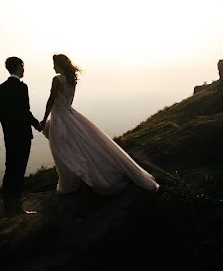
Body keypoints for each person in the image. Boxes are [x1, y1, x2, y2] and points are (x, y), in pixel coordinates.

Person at [39, 54, 159, 195]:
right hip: (70, 114)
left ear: (59, 64)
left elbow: (51, 100)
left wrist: (44, 119)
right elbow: (68, 101)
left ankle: (71, 182)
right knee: (80, 146)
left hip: (60, 117)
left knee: (61, 149)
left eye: (54, 64)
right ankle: (78, 177)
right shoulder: (72, 80)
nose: (53, 67)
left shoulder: (57, 79)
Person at [0, 56, 42, 215]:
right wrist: (38, 125)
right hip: (22, 135)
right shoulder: (22, 88)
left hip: (9, 136)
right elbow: (25, 111)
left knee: (10, 169)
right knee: (19, 170)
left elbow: (1, 115)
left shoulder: (1, 88)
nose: (23, 69)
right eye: (22, 66)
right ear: (17, 67)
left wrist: (7, 132)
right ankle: (16, 207)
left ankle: (7, 207)